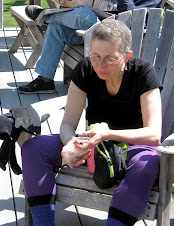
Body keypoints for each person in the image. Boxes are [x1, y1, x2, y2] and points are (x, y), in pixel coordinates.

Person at [21, 19, 162, 225]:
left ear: (127, 57)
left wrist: (108, 134)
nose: (100, 65)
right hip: (93, 146)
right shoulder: (86, 69)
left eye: (110, 59)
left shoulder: (143, 74)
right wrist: (71, 143)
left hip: (134, 146)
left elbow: (153, 135)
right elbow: (68, 123)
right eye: (95, 56)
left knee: (146, 166)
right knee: (34, 148)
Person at [18, 1, 116, 94]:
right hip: (86, 34)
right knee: (56, 27)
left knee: (84, 14)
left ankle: (46, 17)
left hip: (105, 36)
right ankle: (45, 80)